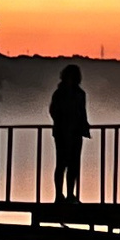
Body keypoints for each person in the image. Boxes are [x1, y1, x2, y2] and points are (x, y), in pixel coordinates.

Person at [49, 62, 90, 208]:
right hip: (62, 133)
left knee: (73, 165)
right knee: (62, 164)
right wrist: (63, 124)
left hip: (75, 133)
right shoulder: (60, 93)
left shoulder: (79, 94)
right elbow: (54, 111)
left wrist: (84, 127)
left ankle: (70, 194)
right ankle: (59, 195)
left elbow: (82, 113)